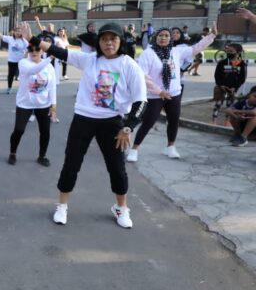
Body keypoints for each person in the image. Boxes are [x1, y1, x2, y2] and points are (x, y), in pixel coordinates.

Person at [35, 22, 147, 229]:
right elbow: (60, 52)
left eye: (113, 39)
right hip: (83, 119)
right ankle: (62, 206)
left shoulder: (129, 65)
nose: (108, 43)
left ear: (120, 41)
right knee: (71, 164)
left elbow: (141, 102)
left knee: (117, 168)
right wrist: (33, 40)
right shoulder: (90, 60)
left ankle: (121, 208)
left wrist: (128, 127)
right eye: (104, 39)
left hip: (112, 122)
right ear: (99, 42)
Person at [127, 25, 216, 162]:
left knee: (174, 120)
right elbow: (143, 76)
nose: (163, 38)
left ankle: (170, 147)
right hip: (155, 95)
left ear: (170, 38)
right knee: (148, 122)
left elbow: (195, 48)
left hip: (174, 93)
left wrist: (212, 36)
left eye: (166, 36)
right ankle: (134, 149)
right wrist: (159, 91)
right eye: (160, 35)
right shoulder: (148, 53)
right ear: (155, 37)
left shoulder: (176, 51)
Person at [8, 36, 57, 167]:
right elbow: (33, 70)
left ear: (42, 50)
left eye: (37, 49)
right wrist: (50, 58)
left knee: (45, 131)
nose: (34, 51)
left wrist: (53, 104)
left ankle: (42, 156)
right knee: (19, 130)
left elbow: (52, 87)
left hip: (43, 104)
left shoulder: (49, 67)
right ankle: (13, 153)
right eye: (31, 49)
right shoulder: (23, 63)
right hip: (25, 103)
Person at [211, 43, 248, 124]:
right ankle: (213, 120)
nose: (229, 53)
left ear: (238, 52)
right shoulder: (222, 62)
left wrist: (235, 87)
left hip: (233, 89)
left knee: (230, 105)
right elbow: (217, 75)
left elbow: (242, 78)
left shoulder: (241, 64)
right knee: (218, 103)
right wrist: (220, 85)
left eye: (231, 51)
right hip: (221, 87)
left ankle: (227, 121)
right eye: (228, 51)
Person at [1, 26, 29, 94]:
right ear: (14, 32)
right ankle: (9, 88)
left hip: (21, 61)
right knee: (11, 75)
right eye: (16, 31)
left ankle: (23, 89)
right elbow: (1, 36)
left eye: (19, 31)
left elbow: (28, 49)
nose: (18, 33)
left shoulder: (24, 41)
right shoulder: (10, 39)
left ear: (21, 33)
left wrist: (25, 58)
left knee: (23, 75)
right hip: (12, 60)